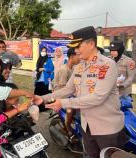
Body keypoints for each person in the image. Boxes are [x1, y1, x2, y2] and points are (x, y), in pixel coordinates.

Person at [33, 26, 128, 158]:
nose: (76, 50)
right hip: (87, 126)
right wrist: (43, 98)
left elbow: (97, 97)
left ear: (91, 44)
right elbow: (68, 89)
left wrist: (63, 103)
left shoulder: (106, 65)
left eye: (78, 46)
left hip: (107, 129)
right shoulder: (80, 66)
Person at [34, 47, 54, 112]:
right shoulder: (39, 59)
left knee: (45, 95)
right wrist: (36, 70)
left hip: (45, 81)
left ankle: (45, 107)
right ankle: (38, 107)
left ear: (46, 52)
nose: (43, 52)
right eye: (42, 51)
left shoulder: (49, 60)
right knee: (37, 95)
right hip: (38, 80)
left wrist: (44, 69)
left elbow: (51, 69)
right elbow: (37, 68)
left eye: (45, 51)